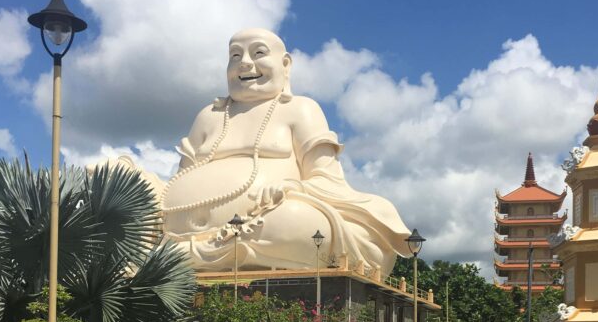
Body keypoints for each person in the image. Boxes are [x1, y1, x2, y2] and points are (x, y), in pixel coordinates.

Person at [161, 28, 411, 274]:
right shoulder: (208, 116)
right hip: (180, 228)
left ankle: (181, 256)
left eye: (258, 53)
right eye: (235, 56)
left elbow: (327, 179)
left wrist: (293, 188)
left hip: (267, 221)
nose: (245, 63)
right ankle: (202, 252)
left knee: (302, 224)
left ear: (285, 64)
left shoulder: (301, 109)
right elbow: (179, 180)